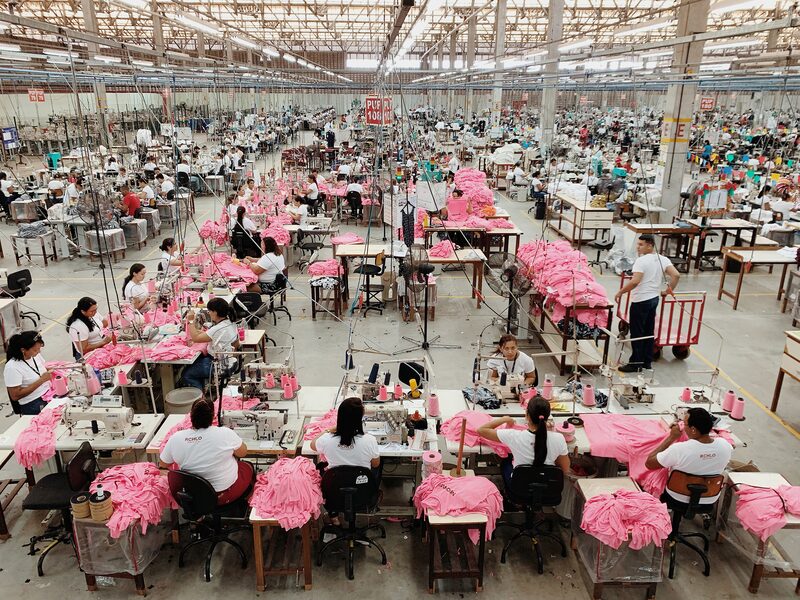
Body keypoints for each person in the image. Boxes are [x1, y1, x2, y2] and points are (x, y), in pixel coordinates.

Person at [159, 398, 253, 506]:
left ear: (191, 417)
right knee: (247, 466)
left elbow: (163, 465)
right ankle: (244, 508)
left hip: (193, 497)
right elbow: (243, 453)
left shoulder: (176, 438)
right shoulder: (225, 433)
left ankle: (201, 514)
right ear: (213, 416)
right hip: (222, 495)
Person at [614, 234, 680, 372]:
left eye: (641, 244)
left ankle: (635, 363)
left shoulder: (641, 261)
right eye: (638, 244)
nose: (638, 247)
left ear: (650, 245)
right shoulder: (663, 259)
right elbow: (676, 275)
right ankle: (646, 361)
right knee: (649, 331)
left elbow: (635, 281)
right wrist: (668, 291)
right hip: (653, 299)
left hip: (641, 301)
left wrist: (621, 292)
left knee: (637, 332)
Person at [477, 397, 570, 489]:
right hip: (547, 487)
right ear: (548, 416)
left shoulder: (514, 436)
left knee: (506, 462)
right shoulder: (559, 439)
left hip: (520, 488)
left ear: (527, 415)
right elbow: (565, 469)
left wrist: (504, 419)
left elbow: (481, 430)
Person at [645, 407, 732, 505]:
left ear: (693, 430)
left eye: (684, 424)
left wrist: (671, 437)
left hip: (678, 496)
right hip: (709, 497)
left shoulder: (679, 449)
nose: (683, 426)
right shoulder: (725, 446)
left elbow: (649, 463)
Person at [180, 298, 239, 390]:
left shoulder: (217, 329)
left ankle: (200, 400)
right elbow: (236, 343)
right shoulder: (231, 323)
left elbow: (195, 338)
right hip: (229, 360)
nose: (208, 313)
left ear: (215, 312)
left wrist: (191, 321)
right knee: (195, 363)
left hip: (218, 364)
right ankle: (202, 389)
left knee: (186, 374)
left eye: (209, 311)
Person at [311, 397, 381, 470]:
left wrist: (328, 430)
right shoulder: (370, 440)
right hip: (360, 480)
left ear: (340, 415)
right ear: (361, 417)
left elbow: (312, 445)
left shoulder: (327, 440)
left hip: (336, 480)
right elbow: (375, 464)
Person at [4, 331, 52, 415]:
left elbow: (43, 368)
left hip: (48, 394)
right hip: (33, 403)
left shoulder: (34, 355)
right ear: (23, 350)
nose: (39, 352)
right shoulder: (12, 367)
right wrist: (41, 380)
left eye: (39, 349)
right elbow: (15, 395)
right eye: (35, 350)